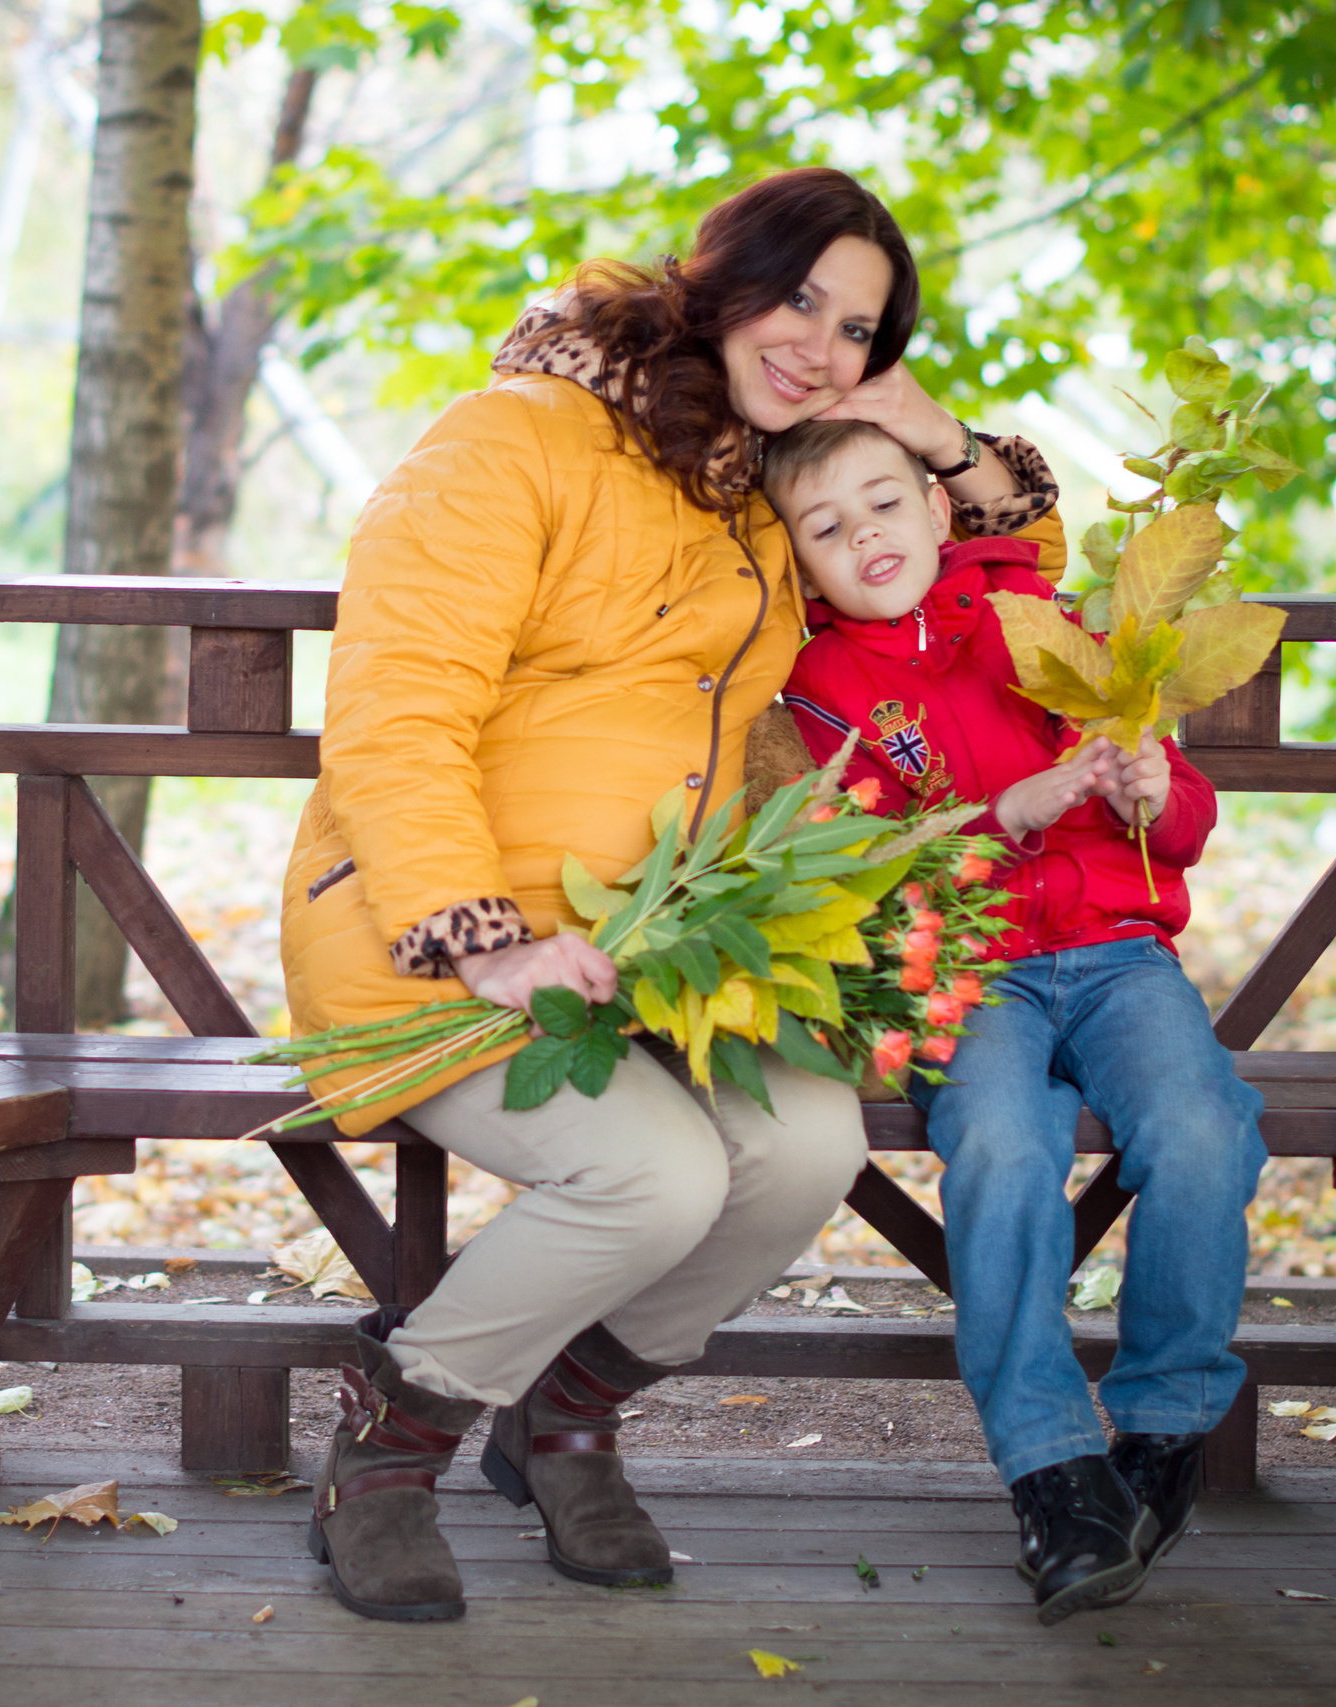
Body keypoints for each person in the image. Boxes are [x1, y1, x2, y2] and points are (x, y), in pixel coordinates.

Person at [277, 167, 1066, 1622]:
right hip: (437, 942)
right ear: (715, 275)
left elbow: (999, 569)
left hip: (660, 947)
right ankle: (391, 1448)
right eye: (801, 297)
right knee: (656, 1171)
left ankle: (565, 1413)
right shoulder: (512, 442)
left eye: (861, 330)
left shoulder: (757, 499)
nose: (820, 345)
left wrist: (941, 440)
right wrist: (484, 933)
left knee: (806, 1142)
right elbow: (394, 712)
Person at [768, 417, 1268, 1625]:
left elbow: (1184, 818)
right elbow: (860, 863)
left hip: (1115, 955)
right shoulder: (820, 686)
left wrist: (1157, 787)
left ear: (941, 512)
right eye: (824, 529)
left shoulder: (1049, 627)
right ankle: (1051, 1467)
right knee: (1000, 1150)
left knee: (1202, 1131)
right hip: (969, 973)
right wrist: (1001, 813)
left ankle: (1158, 1430)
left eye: (885, 506)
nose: (864, 539)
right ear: (799, 561)